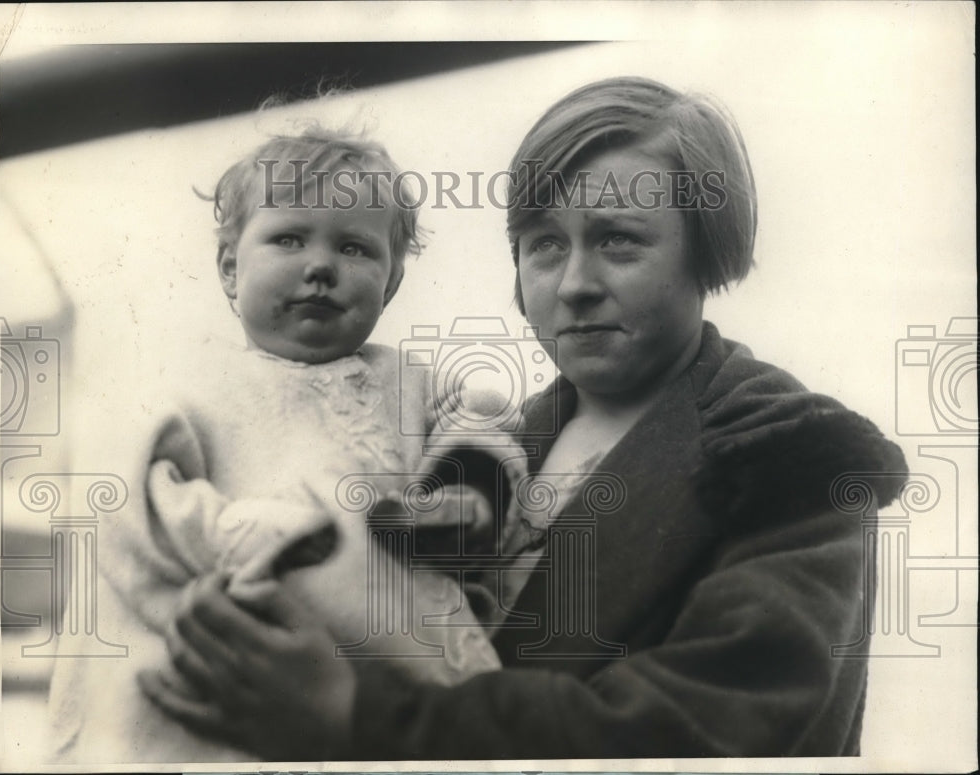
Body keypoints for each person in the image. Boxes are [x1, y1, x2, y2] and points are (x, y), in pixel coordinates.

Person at [139, 77, 909, 759]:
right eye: (544, 244)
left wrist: (358, 717)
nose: (574, 283)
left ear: (705, 252)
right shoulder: (482, 446)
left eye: (618, 239)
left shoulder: (788, 450)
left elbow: (725, 727)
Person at [47, 126, 526, 764]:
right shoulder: (188, 386)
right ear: (229, 267)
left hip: (380, 688)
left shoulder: (413, 383)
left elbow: (490, 421)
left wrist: (463, 492)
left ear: (390, 285)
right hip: (238, 649)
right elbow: (124, 493)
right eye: (289, 238)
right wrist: (251, 537)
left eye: (354, 248)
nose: (321, 266)